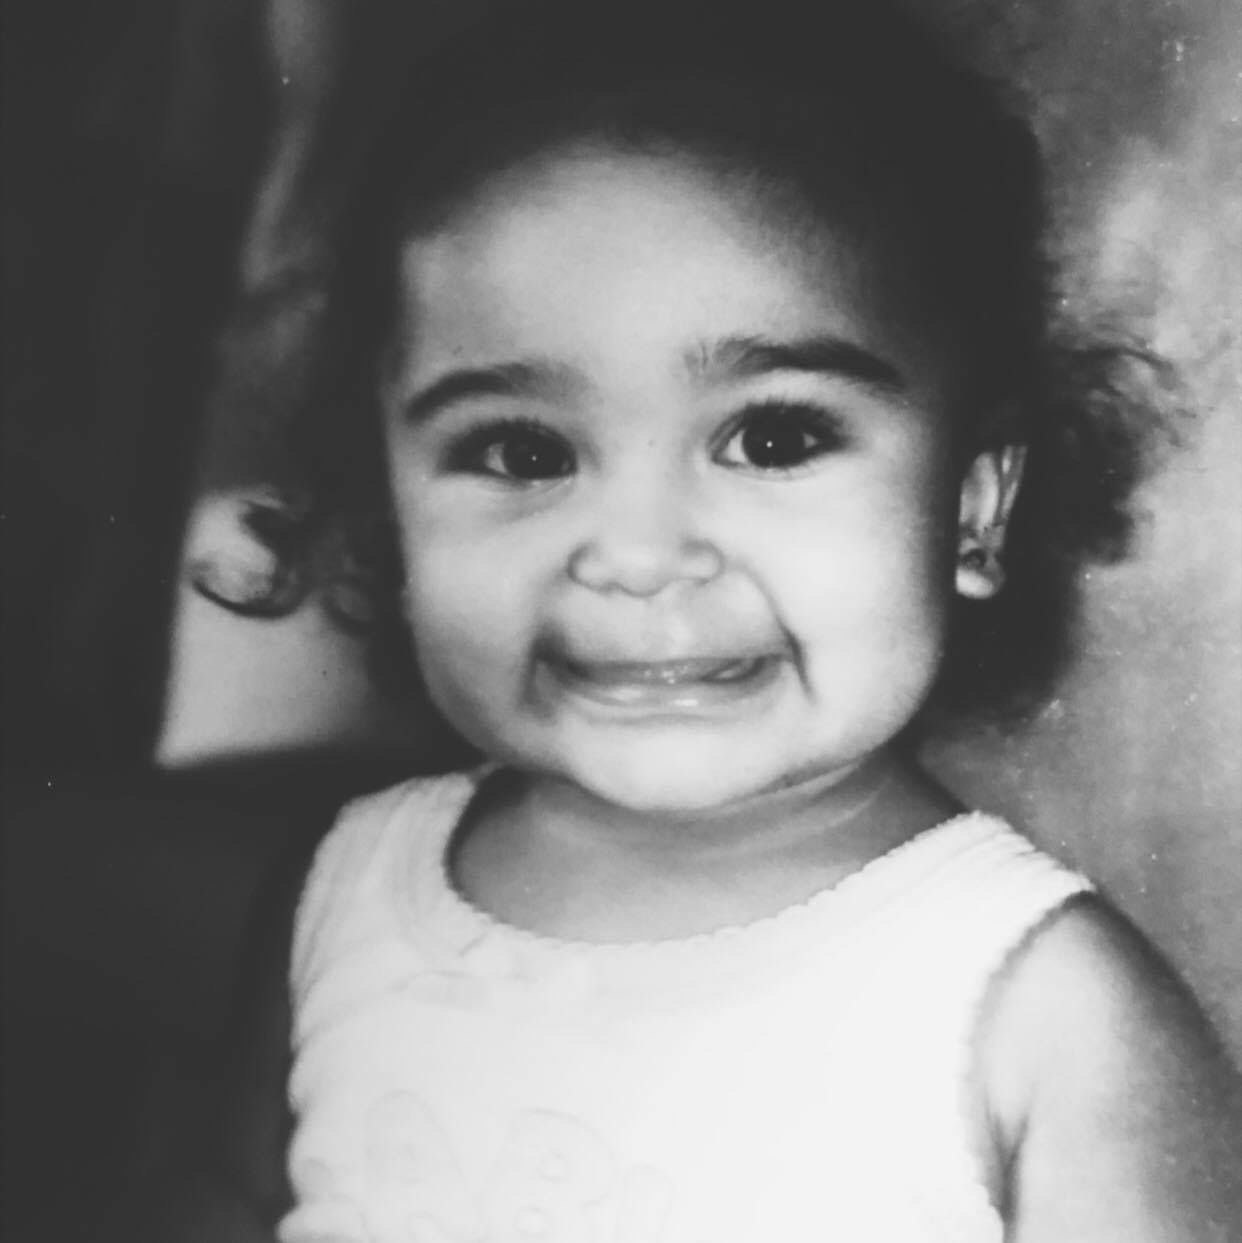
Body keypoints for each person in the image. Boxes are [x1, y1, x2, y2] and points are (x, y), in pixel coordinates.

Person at [156, 0, 1242, 1238]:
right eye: (519, 449)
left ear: (975, 508)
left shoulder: (1040, 1014)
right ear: (384, 509)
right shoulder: (343, 892)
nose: (638, 554)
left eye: (772, 436)